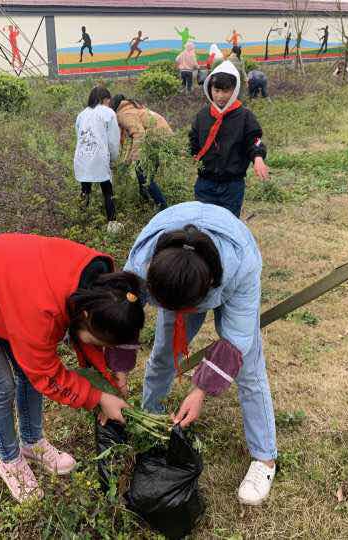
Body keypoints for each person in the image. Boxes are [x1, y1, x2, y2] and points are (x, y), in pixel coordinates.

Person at [0, 233, 144, 502]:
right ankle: (10, 461)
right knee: (1, 387)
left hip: (5, 291)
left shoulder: (103, 289)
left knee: (25, 371)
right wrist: (98, 397)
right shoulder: (42, 312)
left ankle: (32, 442)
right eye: (99, 340)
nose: (99, 344)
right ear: (86, 317)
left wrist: (109, 381)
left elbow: (88, 340)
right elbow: (44, 372)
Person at [122, 201, 278, 506]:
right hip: (179, 279)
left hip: (227, 272)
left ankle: (264, 459)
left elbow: (235, 341)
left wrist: (200, 390)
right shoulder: (143, 264)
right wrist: (119, 368)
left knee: (249, 367)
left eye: (184, 309)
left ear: (207, 288)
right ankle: (149, 416)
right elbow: (122, 314)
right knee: (164, 353)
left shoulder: (241, 265)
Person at [189, 61, 269, 218]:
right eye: (216, 90)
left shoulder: (245, 116)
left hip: (232, 185)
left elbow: (255, 140)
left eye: (226, 91)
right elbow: (193, 138)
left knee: (228, 223)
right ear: (210, 89)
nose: (220, 96)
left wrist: (258, 157)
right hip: (205, 183)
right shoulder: (203, 115)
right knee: (204, 224)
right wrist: (193, 153)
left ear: (234, 90)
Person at [74, 86, 122, 234]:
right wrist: (114, 158)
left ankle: (81, 221)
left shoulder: (82, 114)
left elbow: (79, 136)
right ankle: (112, 223)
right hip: (100, 156)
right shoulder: (108, 113)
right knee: (107, 190)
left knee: (85, 189)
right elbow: (113, 140)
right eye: (108, 100)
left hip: (82, 156)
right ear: (104, 99)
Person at [111, 94, 170, 210]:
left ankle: (163, 208)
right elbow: (134, 139)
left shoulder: (124, 114)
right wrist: (127, 160)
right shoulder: (132, 109)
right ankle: (144, 202)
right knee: (144, 176)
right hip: (161, 139)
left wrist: (136, 157)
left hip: (154, 140)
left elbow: (139, 134)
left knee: (143, 176)